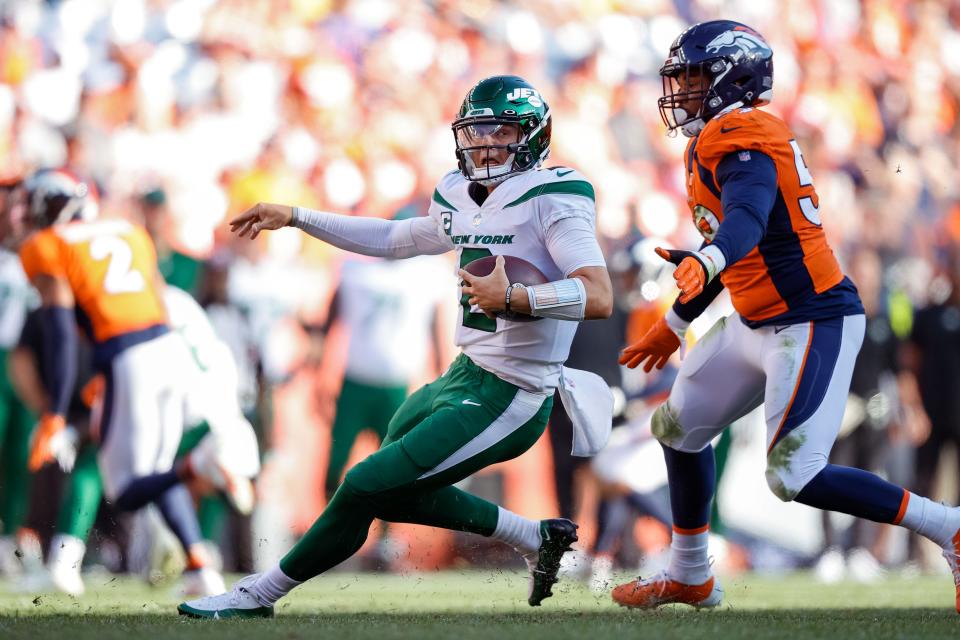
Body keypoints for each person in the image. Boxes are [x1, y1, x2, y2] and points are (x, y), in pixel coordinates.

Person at [178, 74, 613, 618]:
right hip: (465, 372)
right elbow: (397, 238)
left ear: (531, 136)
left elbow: (598, 295)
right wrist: (297, 217)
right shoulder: (460, 190)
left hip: (514, 394)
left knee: (363, 485)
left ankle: (258, 594)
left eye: (498, 134)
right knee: (389, 484)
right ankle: (536, 537)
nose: (483, 147)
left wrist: (518, 296)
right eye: (474, 134)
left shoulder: (556, 197)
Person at [610, 21, 960, 612]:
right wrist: (674, 325)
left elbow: (744, 222)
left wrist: (710, 257)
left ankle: (948, 524)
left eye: (694, 79)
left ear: (730, 79)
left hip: (811, 319)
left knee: (795, 473)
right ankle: (691, 573)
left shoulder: (741, 134)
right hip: (754, 319)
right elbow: (734, 250)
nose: (681, 92)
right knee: (678, 427)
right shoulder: (714, 138)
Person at [0, 169, 235, 596]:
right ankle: (201, 569)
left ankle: (199, 466)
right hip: (167, 349)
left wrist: (54, 412)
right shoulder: (129, 232)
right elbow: (157, 301)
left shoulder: (45, 247)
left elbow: (59, 338)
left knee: (125, 490)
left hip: (129, 357)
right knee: (156, 472)